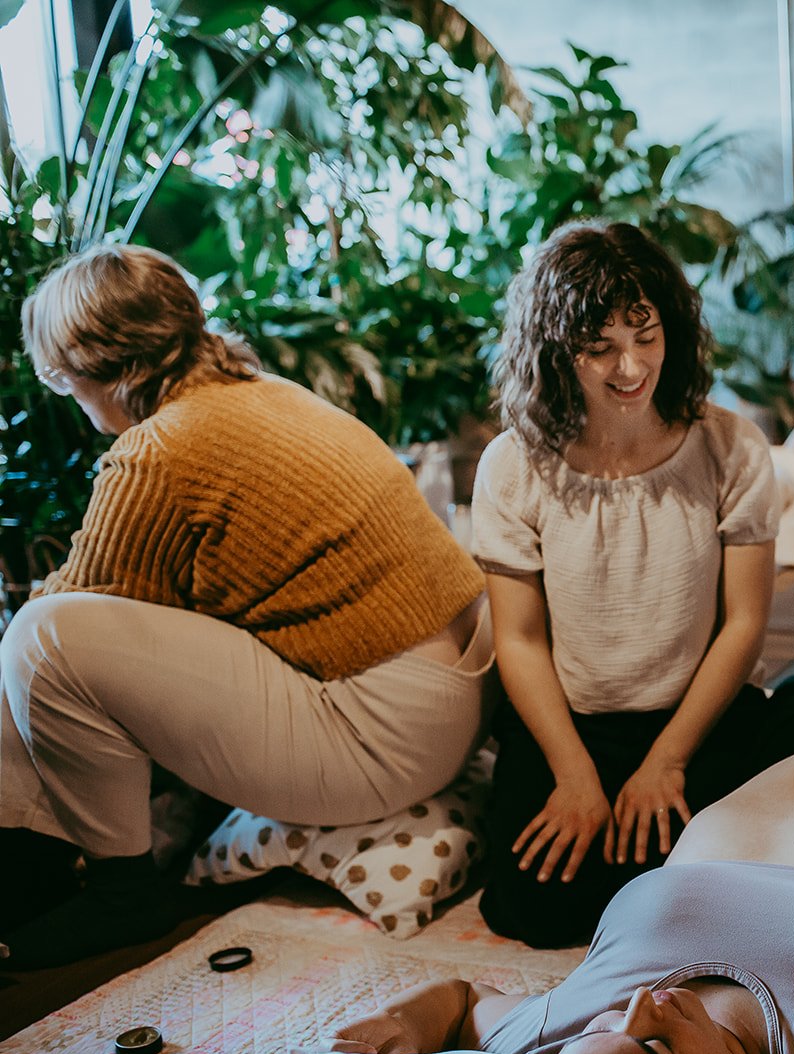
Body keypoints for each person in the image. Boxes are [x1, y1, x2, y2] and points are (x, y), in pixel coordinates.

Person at [0, 244, 491, 968]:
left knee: (40, 638)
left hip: (384, 735)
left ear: (95, 362)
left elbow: (74, 604)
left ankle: (115, 887)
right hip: (458, 703)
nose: (64, 392)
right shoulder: (266, 392)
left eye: (59, 374)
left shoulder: (162, 445)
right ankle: (67, 867)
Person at [471, 220, 794, 949]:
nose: (630, 366)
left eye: (645, 336)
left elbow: (744, 623)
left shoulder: (729, 445)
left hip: (698, 718)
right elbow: (518, 638)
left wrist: (668, 760)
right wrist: (574, 773)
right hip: (571, 725)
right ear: (556, 350)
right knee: (535, 911)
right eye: (600, 347)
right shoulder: (513, 463)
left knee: (708, 896)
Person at [294, 744, 794, 1054]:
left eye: (605, 1027)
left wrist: (396, 1023)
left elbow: (460, 997)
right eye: (657, 1051)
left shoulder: (553, 1037)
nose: (640, 1006)